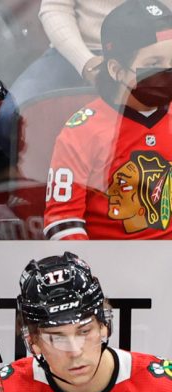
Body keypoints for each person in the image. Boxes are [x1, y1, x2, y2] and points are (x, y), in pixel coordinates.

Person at [0, 251, 172, 392]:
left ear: (104, 326)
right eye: (57, 337)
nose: (75, 350)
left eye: (84, 331)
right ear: (33, 342)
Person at [43, 0, 172, 239]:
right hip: (106, 268)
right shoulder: (82, 131)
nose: (166, 72)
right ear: (116, 70)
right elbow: (62, 221)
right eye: (153, 65)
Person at [0, 0, 172, 157]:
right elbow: (55, 9)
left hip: (147, 51)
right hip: (75, 50)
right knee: (10, 118)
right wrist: (85, 62)